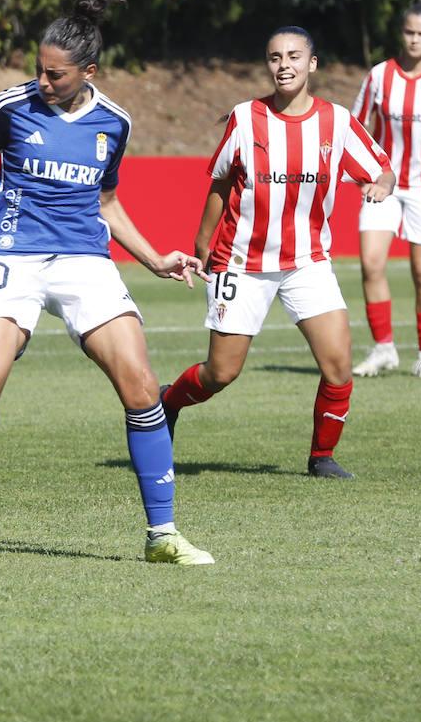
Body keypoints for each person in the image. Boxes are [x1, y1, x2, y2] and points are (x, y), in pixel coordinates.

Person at [0, 0, 215, 566]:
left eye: (54, 74)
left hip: (84, 258)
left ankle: (163, 536)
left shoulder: (114, 122)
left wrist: (154, 259)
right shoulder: (10, 105)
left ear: (88, 72)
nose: (42, 81)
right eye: (38, 69)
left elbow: (106, 200)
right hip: (14, 251)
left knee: (140, 384)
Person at [160, 26, 395, 479]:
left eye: (293, 56)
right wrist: (202, 243)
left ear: (313, 64)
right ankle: (167, 404)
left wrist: (379, 186)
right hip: (241, 263)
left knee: (339, 365)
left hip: (307, 261)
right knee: (221, 374)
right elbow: (222, 181)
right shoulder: (246, 118)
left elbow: (381, 169)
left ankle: (321, 458)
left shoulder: (337, 122)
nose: (283, 65)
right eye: (274, 57)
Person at [350, 0, 421, 379]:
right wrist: (365, 175)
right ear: (401, 32)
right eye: (409, 32)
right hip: (383, 184)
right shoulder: (380, 75)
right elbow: (354, 127)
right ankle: (384, 348)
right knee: (370, 263)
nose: (414, 39)